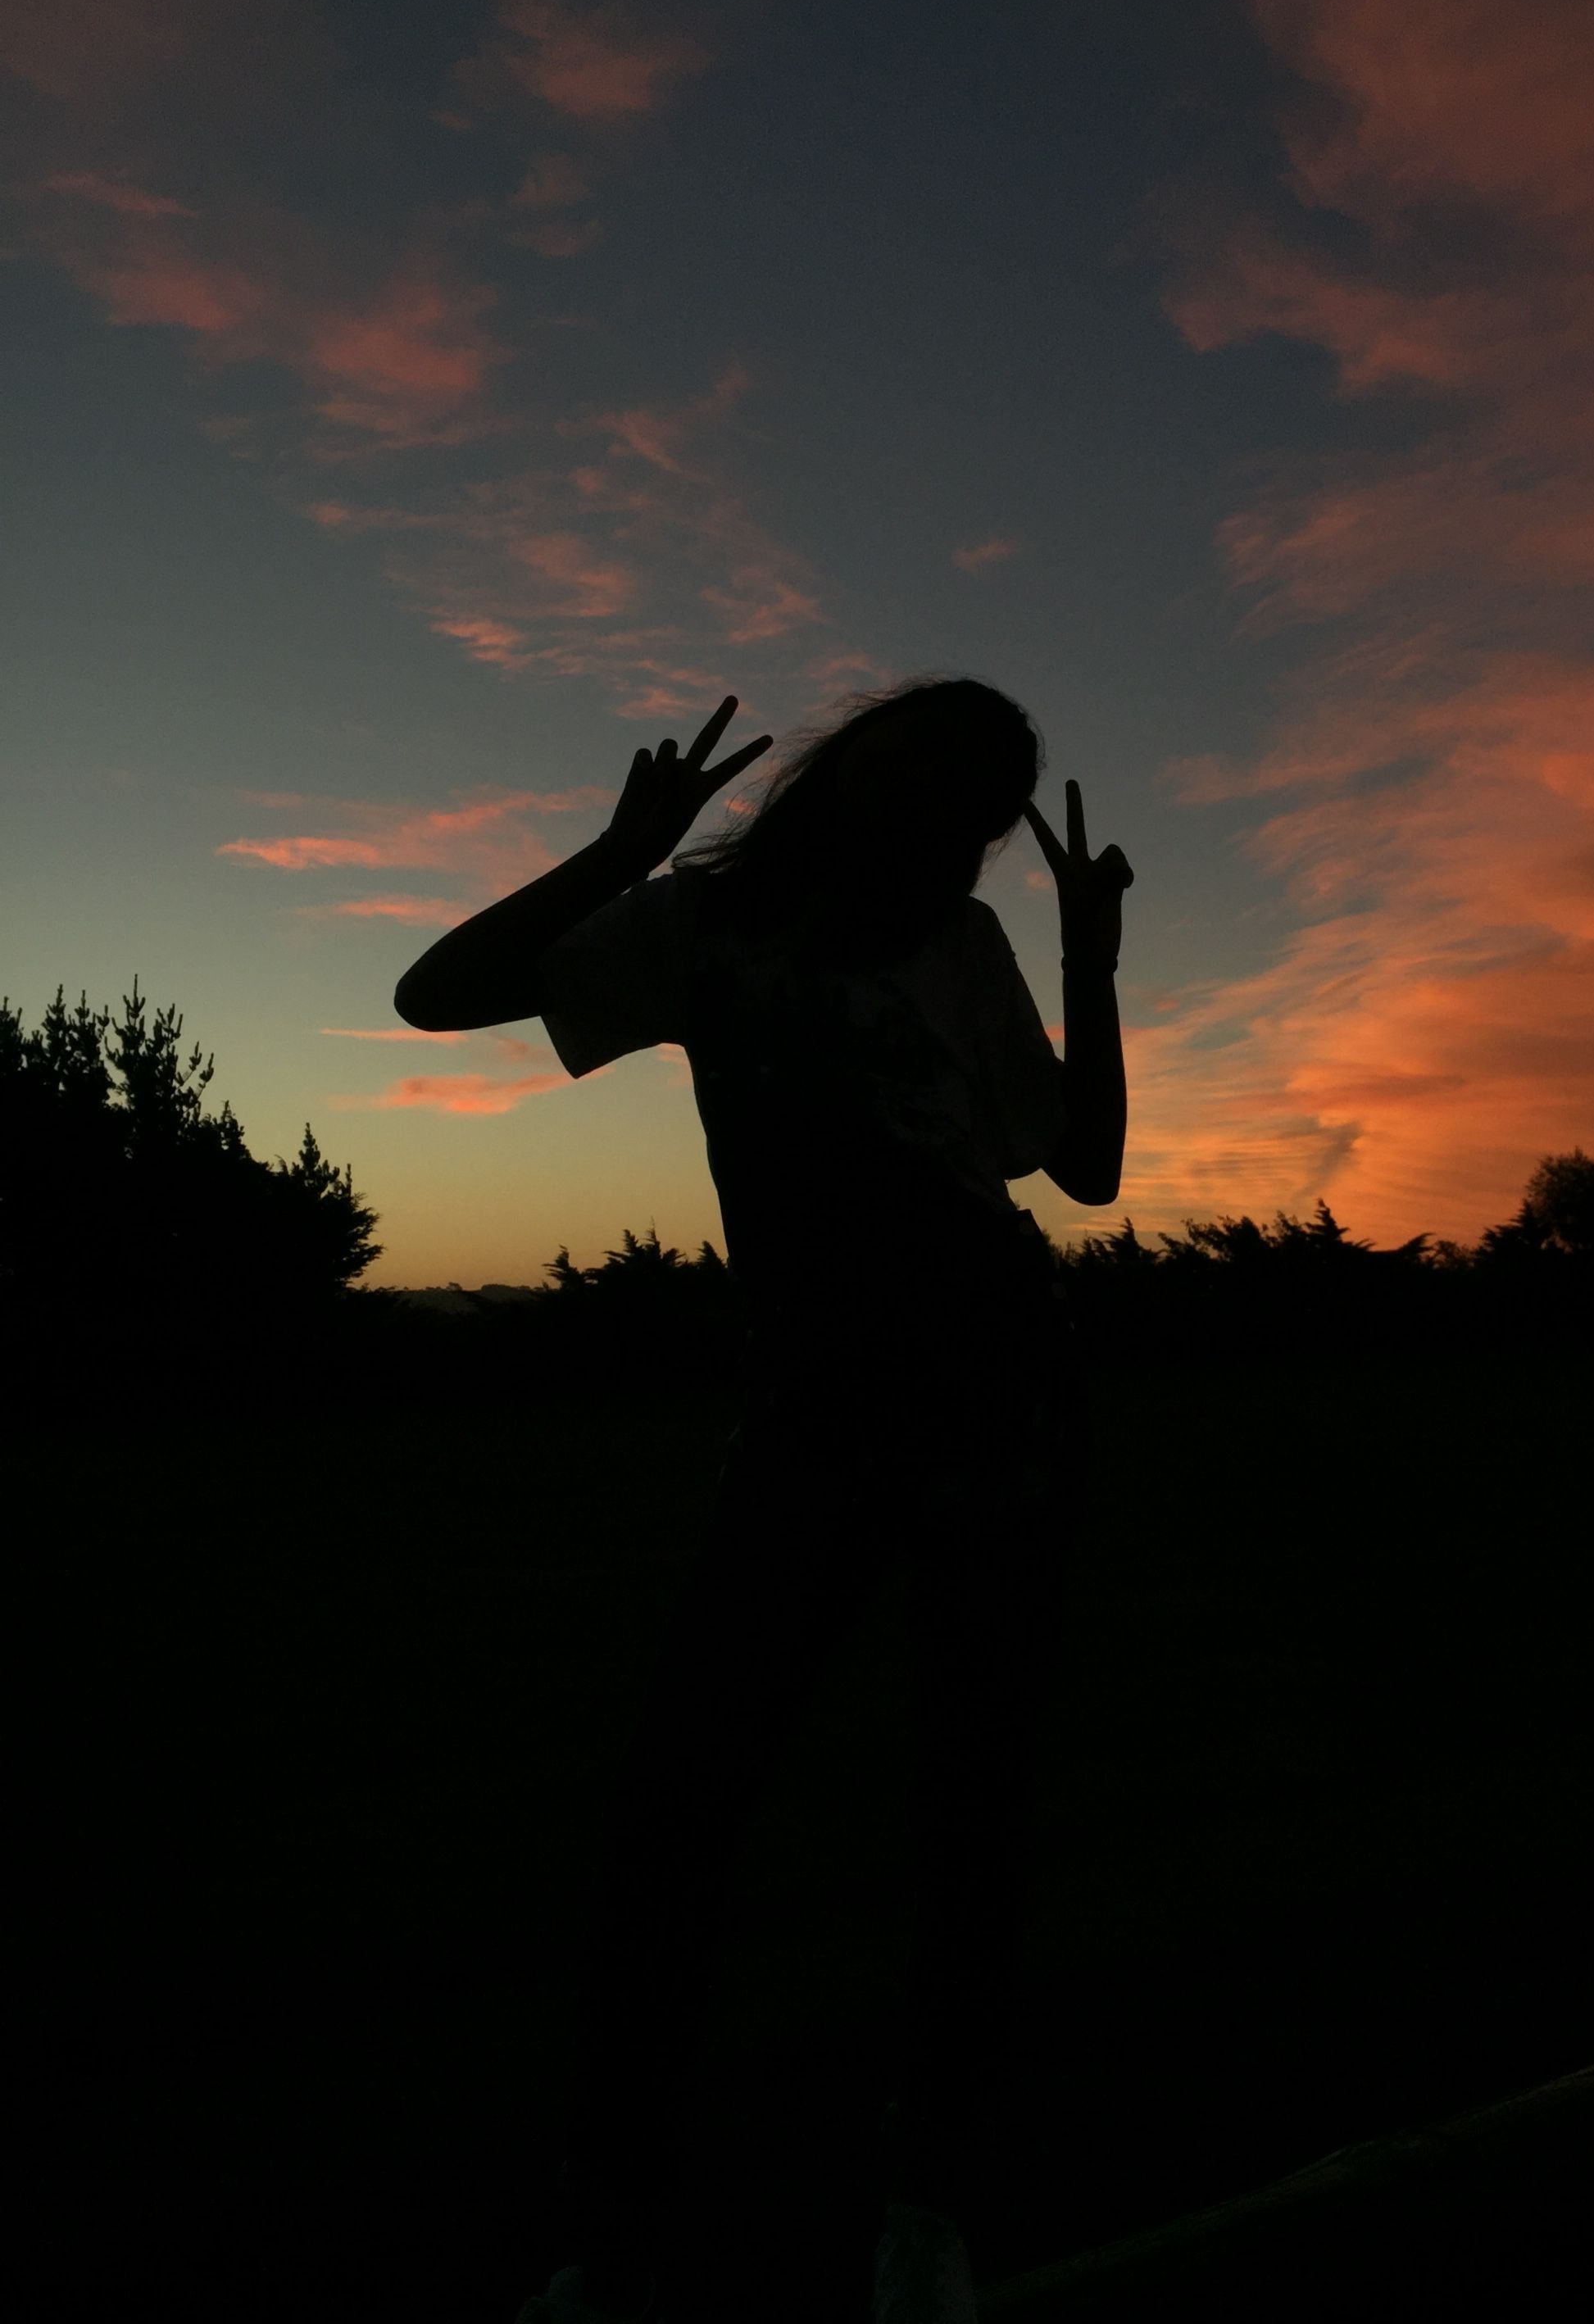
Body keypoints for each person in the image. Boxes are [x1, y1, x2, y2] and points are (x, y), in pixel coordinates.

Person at [393, 677, 1133, 2324]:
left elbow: (1074, 1174)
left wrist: (1087, 955)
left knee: (970, 1798)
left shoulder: (963, 949)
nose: (966, 835)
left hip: (999, 1392)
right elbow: (437, 996)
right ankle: (609, 2232)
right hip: (813, 1411)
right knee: (678, 1815)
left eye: (988, 811)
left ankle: (926, 2205)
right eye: (951, 795)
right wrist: (617, 851)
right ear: (863, 781)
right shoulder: (704, 927)